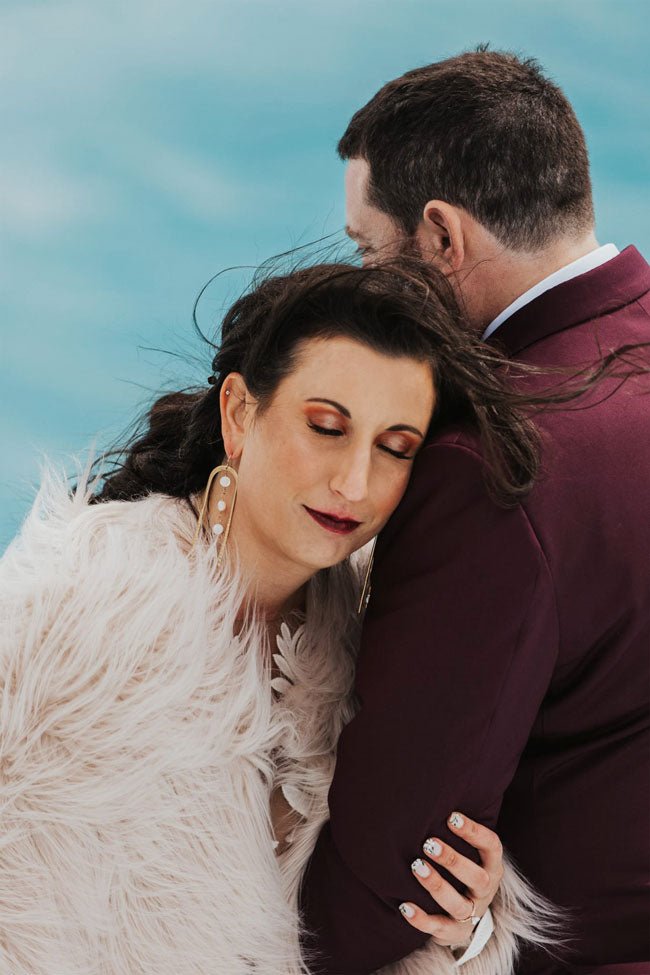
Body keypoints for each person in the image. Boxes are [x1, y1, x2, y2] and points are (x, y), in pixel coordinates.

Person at [0, 261, 560, 974]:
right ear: (239, 413)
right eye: (326, 427)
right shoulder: (72, 614)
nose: (355, 482)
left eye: (395, 449)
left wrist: (463, 924)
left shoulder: (375, 641)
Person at [298, 49, 650, 975]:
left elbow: (382, 896)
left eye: (371, 250)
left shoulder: (495, 467)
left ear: (443, 239)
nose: (368, 280)